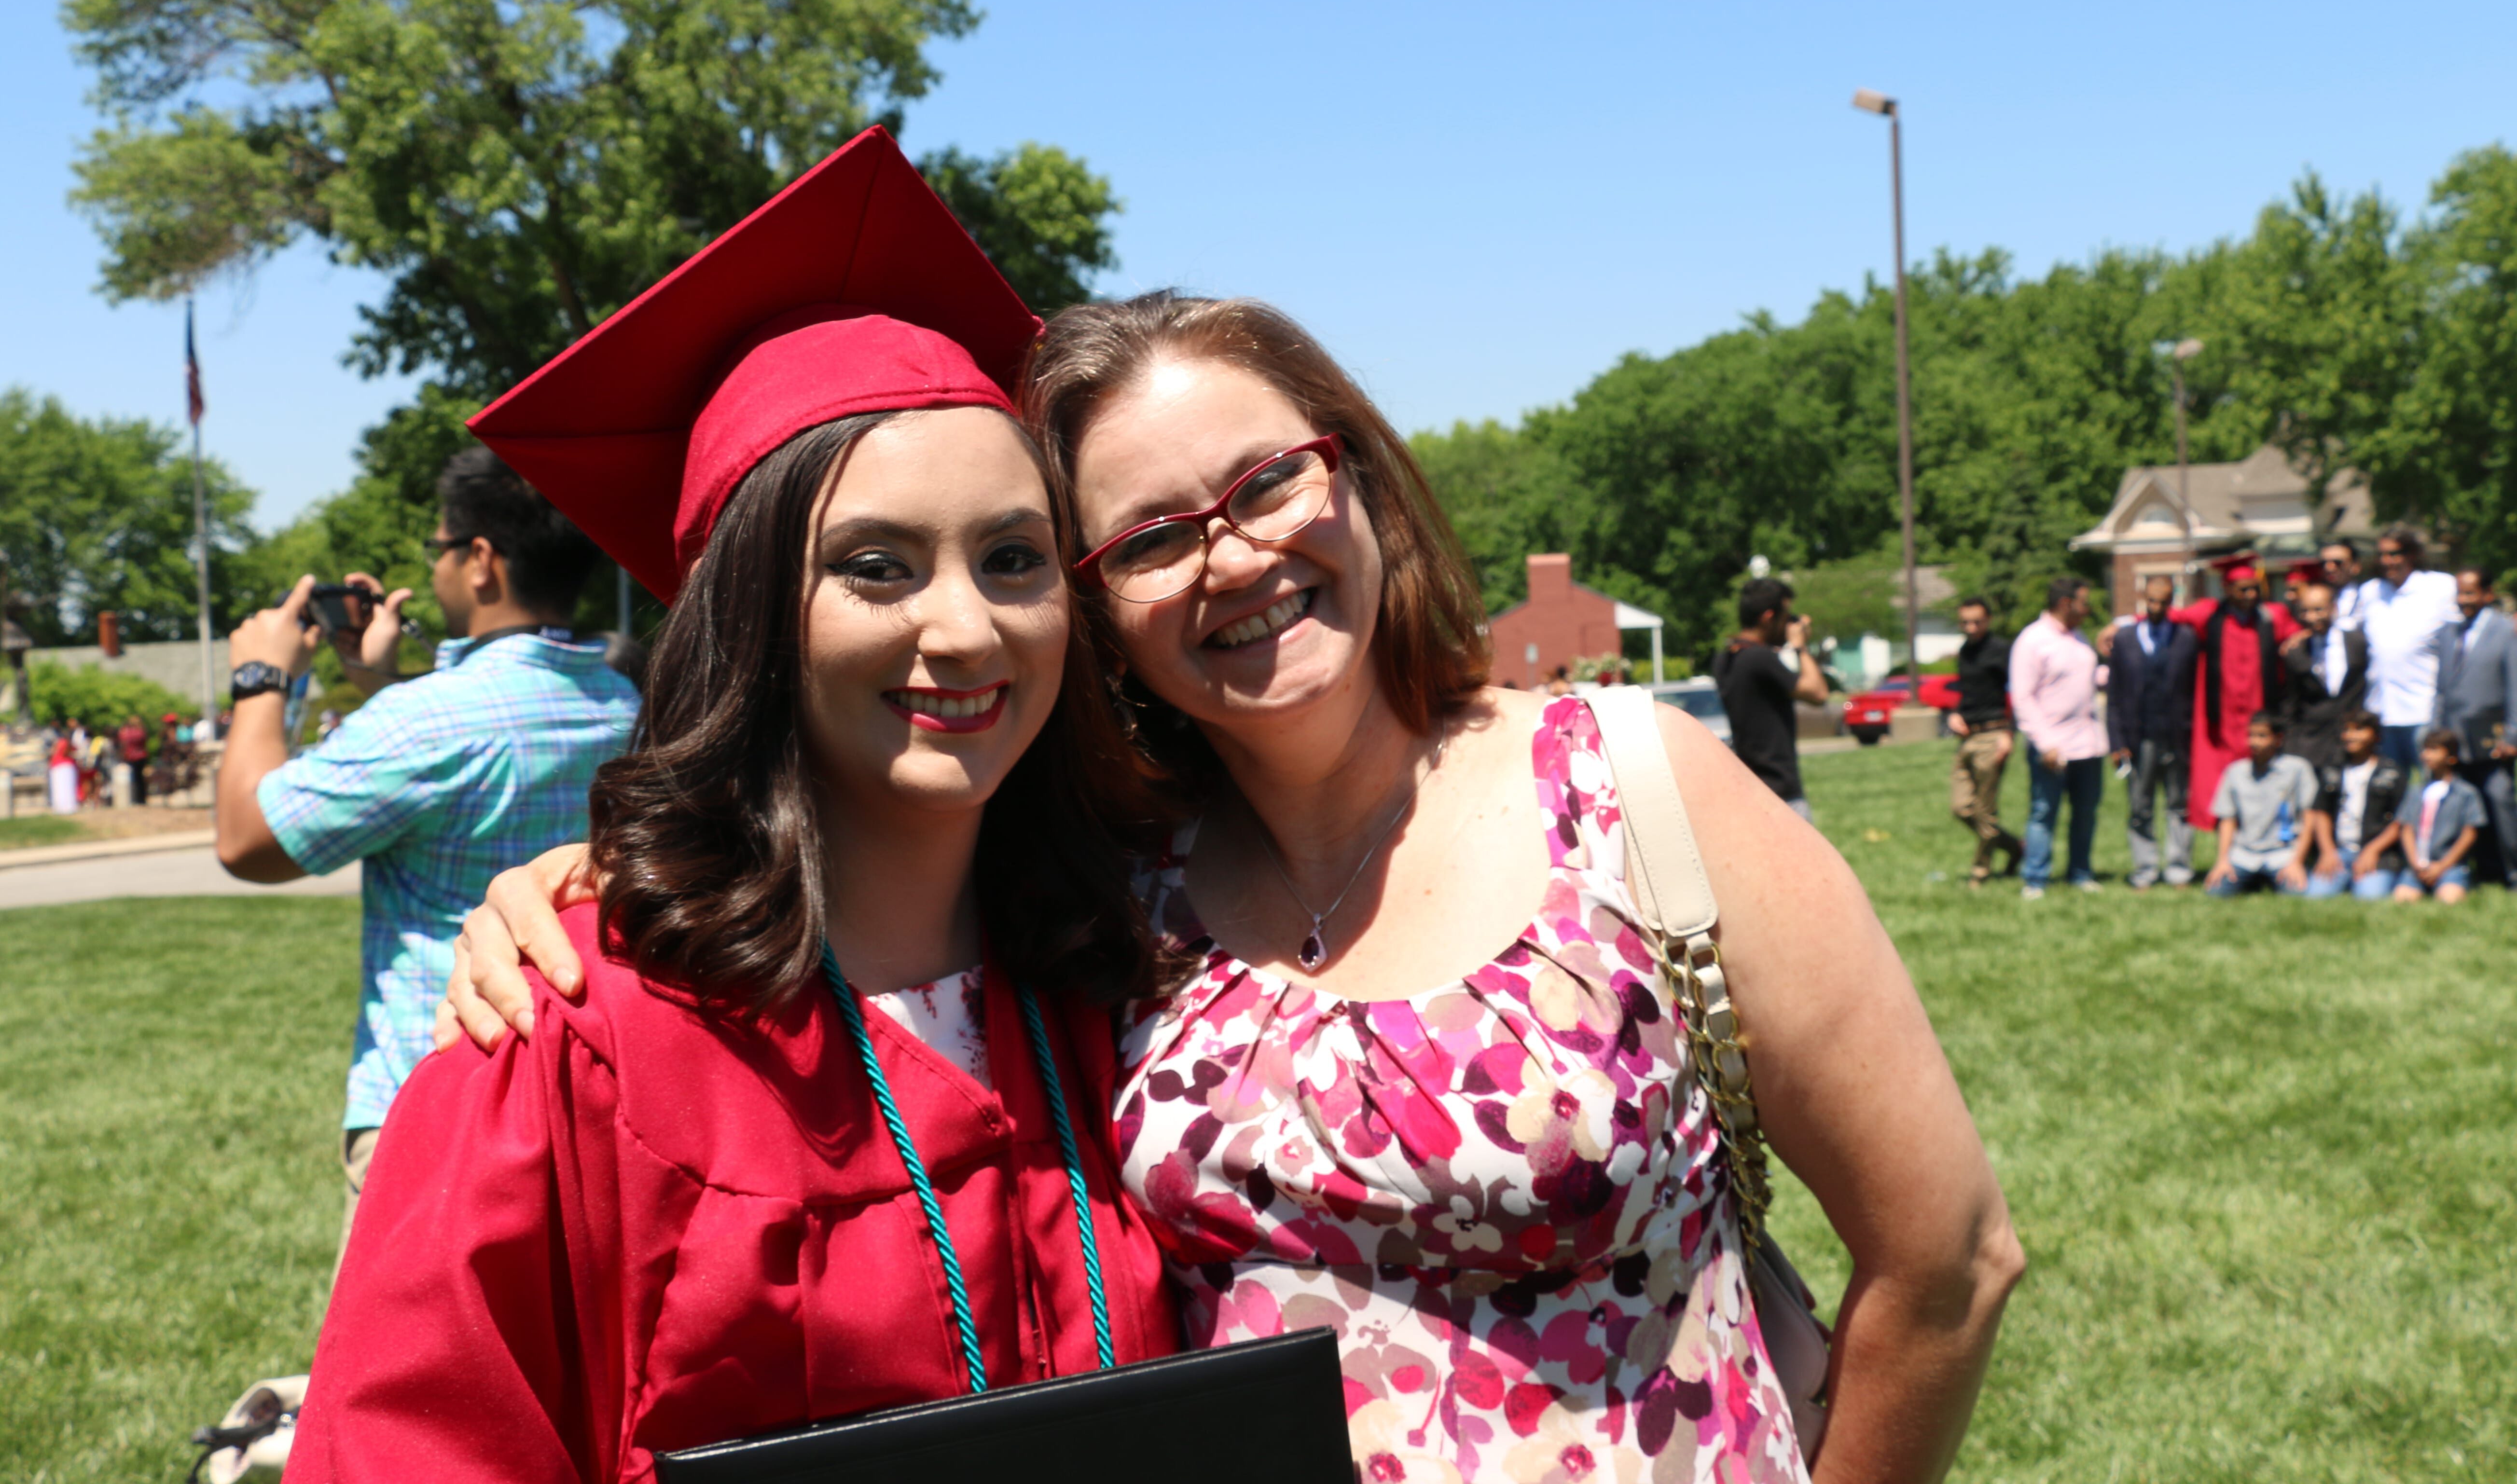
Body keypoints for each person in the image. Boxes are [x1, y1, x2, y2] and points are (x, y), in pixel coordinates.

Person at [453, 290, 2027, 1481]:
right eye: (1148, 537)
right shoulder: (1105, 892)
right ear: (1096, 611)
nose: (1230, 555)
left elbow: (1948, 1262)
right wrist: (586, 879)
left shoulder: (1627, 784)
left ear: (1356, 475)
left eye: (1266, 480)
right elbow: (851, 842)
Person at [292, 131, 1178, 1479]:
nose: (966, 628)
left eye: (1014, 557)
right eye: (875, 567)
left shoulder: (1121, 983)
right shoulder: (566, 1038)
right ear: (752, 614)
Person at [215, 443, 645, 1280]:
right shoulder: (623, 700)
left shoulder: (424, 722)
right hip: (590, 1089)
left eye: (440, 548)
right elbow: (471, 761)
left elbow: (248, 839)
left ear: (481, 560)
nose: (436, 567)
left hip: (437, 1101)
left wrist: (263, 678)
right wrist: (376, 680)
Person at [2166, 555, 2297, 838]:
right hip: (2220, 717)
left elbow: (2299, 633)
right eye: (2243, 589)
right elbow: (2170, 615)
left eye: (2254, 589)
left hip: (2257, 710)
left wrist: (2299, 637)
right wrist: (2121, 624)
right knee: (2216, 774)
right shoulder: (2209, 614)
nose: (2251, 595)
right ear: (2227, 589)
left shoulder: (2271, 616)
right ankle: (2224, 833)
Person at [2010, 576, 2106, 898]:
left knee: (2085, 814)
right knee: (2043, 813)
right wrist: (2045, 743)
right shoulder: (2032, 640)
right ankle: (2036, 879)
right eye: (2084, 603)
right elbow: (2023, 697)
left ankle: (2080, 873)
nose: (2088, 609)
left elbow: (2086, 680)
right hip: (2052, 748)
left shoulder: (2079, 638)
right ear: (2066, 604)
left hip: (2088, 744)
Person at [2104, 575, 2197, 889]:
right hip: (2138, 737)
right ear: (2145, 599)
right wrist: (2117, 741)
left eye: (2164, 601)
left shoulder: (2186, 639)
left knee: (2179, 805)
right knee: (2140, 806)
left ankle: (2179, 869)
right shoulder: (2125, 639)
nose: (2157, 607)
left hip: (2177, 736)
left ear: (2172, 602)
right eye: (2153, 601)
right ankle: (2145, 869)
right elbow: (2115, 696)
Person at [1713, 575, 1829, 822]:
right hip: (1781, 791)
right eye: (1786, 616)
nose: (1789, 623)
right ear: (1768, 617)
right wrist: (1800, 647)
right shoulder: (1760, 658)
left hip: (1750, 787)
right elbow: (1818, 693)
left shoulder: (1726, 658)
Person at [2429, 567, 2517, 886]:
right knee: (2461, 803)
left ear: (2487, 594)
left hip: (2491, 737)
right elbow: (2441, 690)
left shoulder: (2505, 631)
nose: (2463, 600)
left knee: (2499, 797)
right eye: (2460, 593)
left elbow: (2515, 686)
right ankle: (2472, 869)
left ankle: (2512, 871)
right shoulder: (2448, 633)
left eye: (2470, 593)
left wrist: (2513, 734)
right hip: (2454, 736)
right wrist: (2436, 732)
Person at [2360, 523, 2460, 770]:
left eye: (2394, 554)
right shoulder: (2370, 591)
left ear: (2412, 555)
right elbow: (2345, 629)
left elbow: (2465, 632)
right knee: (2391, 785)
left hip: (2424, 709)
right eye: (2382, 554)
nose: (2386, 561)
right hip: (2382, 709)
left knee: (2430, 782)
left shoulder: (2440, 586)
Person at [1947, 596, 2024, 885]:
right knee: (1961, 808)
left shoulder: (2002, 650)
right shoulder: (1965, 651)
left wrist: (2009, 734)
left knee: (1984, 812)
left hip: (1994, 735)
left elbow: (2018, 693)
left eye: (1977, 622)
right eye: (1965, 622)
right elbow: (1968, 693)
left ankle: (1979, 873)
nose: (1971, 628)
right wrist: (1956, 714)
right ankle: (2015, 848)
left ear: (1988, 620)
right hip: (1968, 737)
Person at [2203, 712, 2318, 896]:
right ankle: (2251, 879)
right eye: (2251, 735)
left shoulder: (2298, 769)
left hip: (2283, 854)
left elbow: (2309, 819)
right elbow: (2227, 820)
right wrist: (2222, 861)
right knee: (2215, 892)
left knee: (2298, 893)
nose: (2254, 742)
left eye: (2262, 736)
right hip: (2244, 854)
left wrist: (2297, 862)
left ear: (2278, 739)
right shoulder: (2235, 772)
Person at [2305, 710, 2406, 899]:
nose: (2351, 736)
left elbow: (2400, 821)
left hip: (2378, 853)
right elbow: (2322, 813)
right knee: (2315, 897)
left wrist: (2373, 850)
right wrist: (2327, 851)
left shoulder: (2392, 773)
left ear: (2376, 736)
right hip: (2339, 852)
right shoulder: (2333, 769)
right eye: (2347, 730)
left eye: (2359, 730)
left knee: (2370, 897)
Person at [2279, 581, 2366, 773]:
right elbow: (2291, 704)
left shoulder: (2358, 643)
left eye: (2319, 610)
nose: (2311, 617)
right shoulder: (2297, 653)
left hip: (2352, 741)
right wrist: (2291, 747)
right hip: (2311, 744)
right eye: (2305, 611)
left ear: (2334, 608)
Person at [2393, 728, 2483, 904]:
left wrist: (2442, 866)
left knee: (2450, 899)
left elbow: (2469, 834)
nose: (2426, 755)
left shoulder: (2466, 793)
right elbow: (2407, 829)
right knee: (2403, 900)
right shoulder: (2416, 791)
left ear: (2451, 757)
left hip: (2451, 867)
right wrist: (2416, 863)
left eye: (2434, 750)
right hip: (2417, 867)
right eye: (2425, 749)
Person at [2320, 538, 2369, 634]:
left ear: (2355, 567)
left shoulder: (2367, 596)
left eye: (2338, 563)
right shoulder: (2316, 597)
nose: (2329, 568)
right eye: (2323, 564)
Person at [114, 713, 150, 804]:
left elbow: (123, 742)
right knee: (140, 778)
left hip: (131, 757)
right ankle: (141, 798)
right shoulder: (142, 731)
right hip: (141, 756)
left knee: (133, 779)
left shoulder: (127, 732)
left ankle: (134, 798)